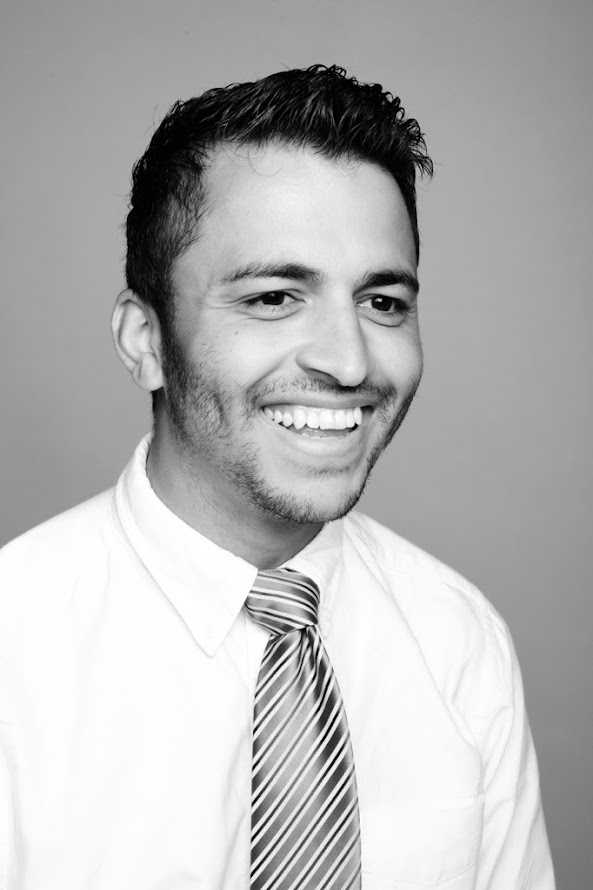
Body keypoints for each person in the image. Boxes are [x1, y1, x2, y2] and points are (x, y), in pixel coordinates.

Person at [0, 65, 554, 889]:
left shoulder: (456, 641)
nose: (348, 360)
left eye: (382, 303)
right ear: (145, 341)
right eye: (272, 298)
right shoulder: (14, 652)